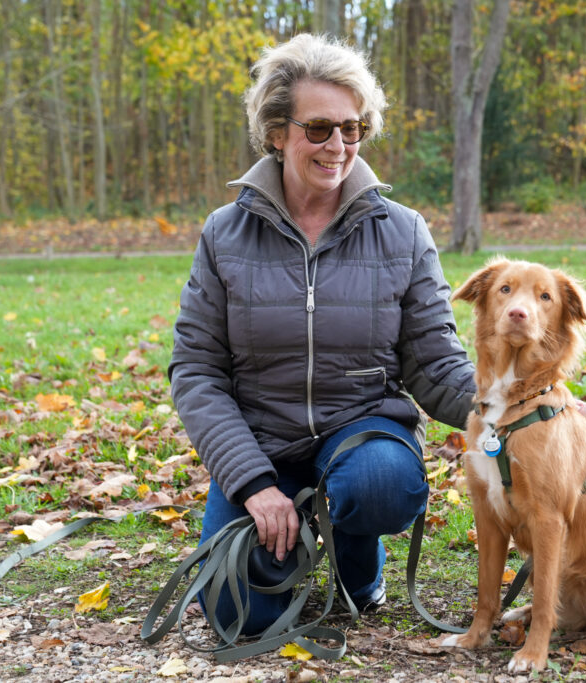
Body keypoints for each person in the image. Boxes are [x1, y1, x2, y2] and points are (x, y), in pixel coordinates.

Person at [169, 33, 476, 634]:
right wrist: (254, 485)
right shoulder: (224, 234)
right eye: (318, 129)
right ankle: (288, 526)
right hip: (262, 443)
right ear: (277, 133)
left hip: (361, 427)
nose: (338, 146)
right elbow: (196, 370)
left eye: (352, 128)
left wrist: (512, 410)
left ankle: (358, 568)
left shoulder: (405, 232)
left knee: (381, 484)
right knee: (239, 616)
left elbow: (436, 365)